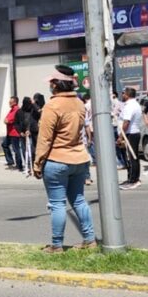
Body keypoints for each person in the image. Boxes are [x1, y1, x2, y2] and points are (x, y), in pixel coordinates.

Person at [33, 65, 96, 253]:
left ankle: (57, 244)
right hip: (79, 158)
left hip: (57, 159)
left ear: (56, 84)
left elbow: (44, 139)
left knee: (57, 204)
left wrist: (37, 164)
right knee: (79, 200)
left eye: (52, 82)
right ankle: (90, 240)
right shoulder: (79, 103)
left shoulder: (52, 106)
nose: (50, 85)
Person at [119, 87, 143, 189]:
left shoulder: (130, 106)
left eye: (123, 93)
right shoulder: (134, 104)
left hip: (131, 134)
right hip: (132, 133)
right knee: (133, 157)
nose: (122, 95)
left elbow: (126, 122)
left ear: (127, 95)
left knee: (131, 158)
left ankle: (133, 180)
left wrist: (121, 136)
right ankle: (131, 178)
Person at [2, 96, 24, 172]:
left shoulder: (16, 110)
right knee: (4, 145)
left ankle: (19, 165)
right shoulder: (12, 110)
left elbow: (7, 120)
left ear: (15, 102)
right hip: (10, 133)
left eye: (10, 101)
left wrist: (6, 121)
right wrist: (6, 120)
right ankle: (10, 161)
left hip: (14, 133)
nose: (9, 103)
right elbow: (5, 119)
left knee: (16, 149)